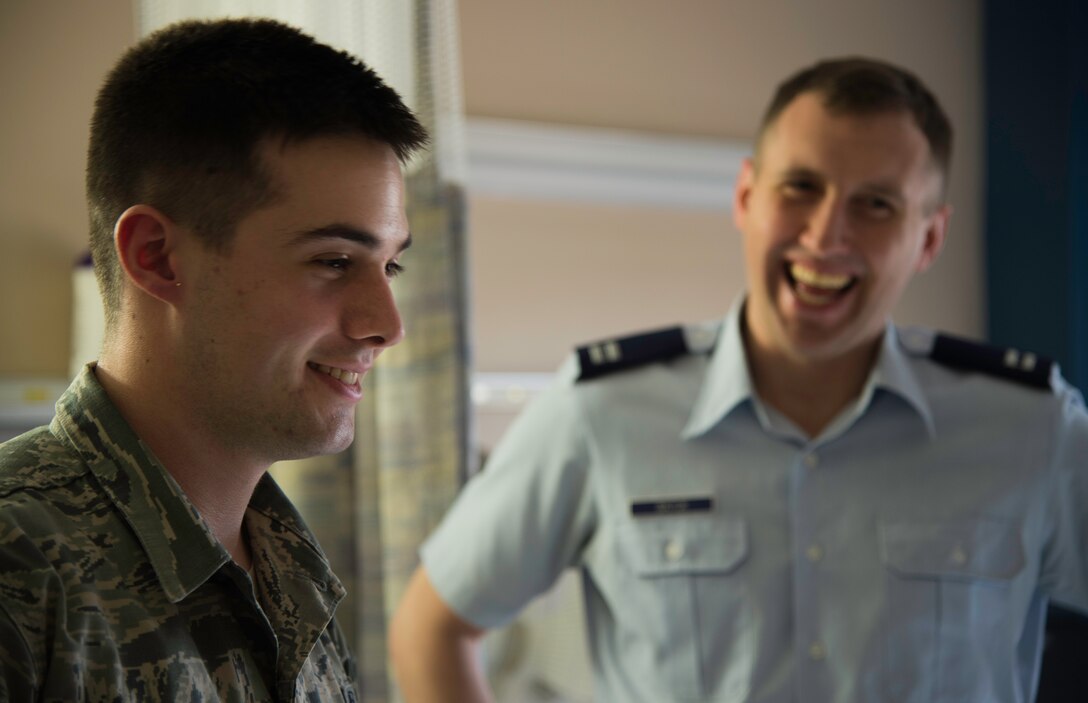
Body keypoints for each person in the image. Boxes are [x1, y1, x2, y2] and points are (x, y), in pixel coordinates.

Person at [389, 57, 1088, 702]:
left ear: (930, 238)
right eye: (800, 187)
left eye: (876, 204)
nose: (824, 236)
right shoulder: (603, 409)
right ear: (747, 195)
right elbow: (434, 624)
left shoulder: (1032, 428)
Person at [0, 17, 426, 701]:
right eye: (335, 261)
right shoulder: (19, 565)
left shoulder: (289, 569)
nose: (386, 325)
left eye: (389, 266)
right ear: (157, 257)